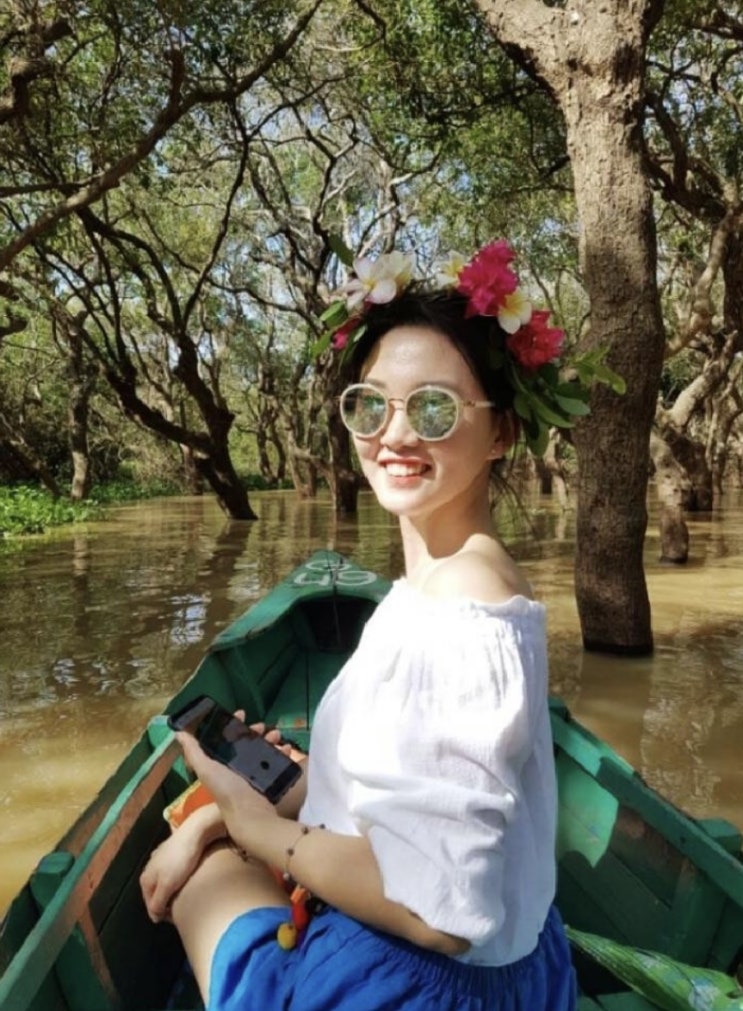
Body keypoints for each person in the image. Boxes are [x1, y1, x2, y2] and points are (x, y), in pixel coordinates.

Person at [140, 240, 583, 1010]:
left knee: (198, 862)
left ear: (501, 432)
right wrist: (306, 788)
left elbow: (440, 912)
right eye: (370, 404)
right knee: (207, 820)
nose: (395, 434)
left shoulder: (465, 605)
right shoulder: (445, 581)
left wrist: (248, 826)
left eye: (434, 407)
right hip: (514, 964)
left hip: (407, 985)